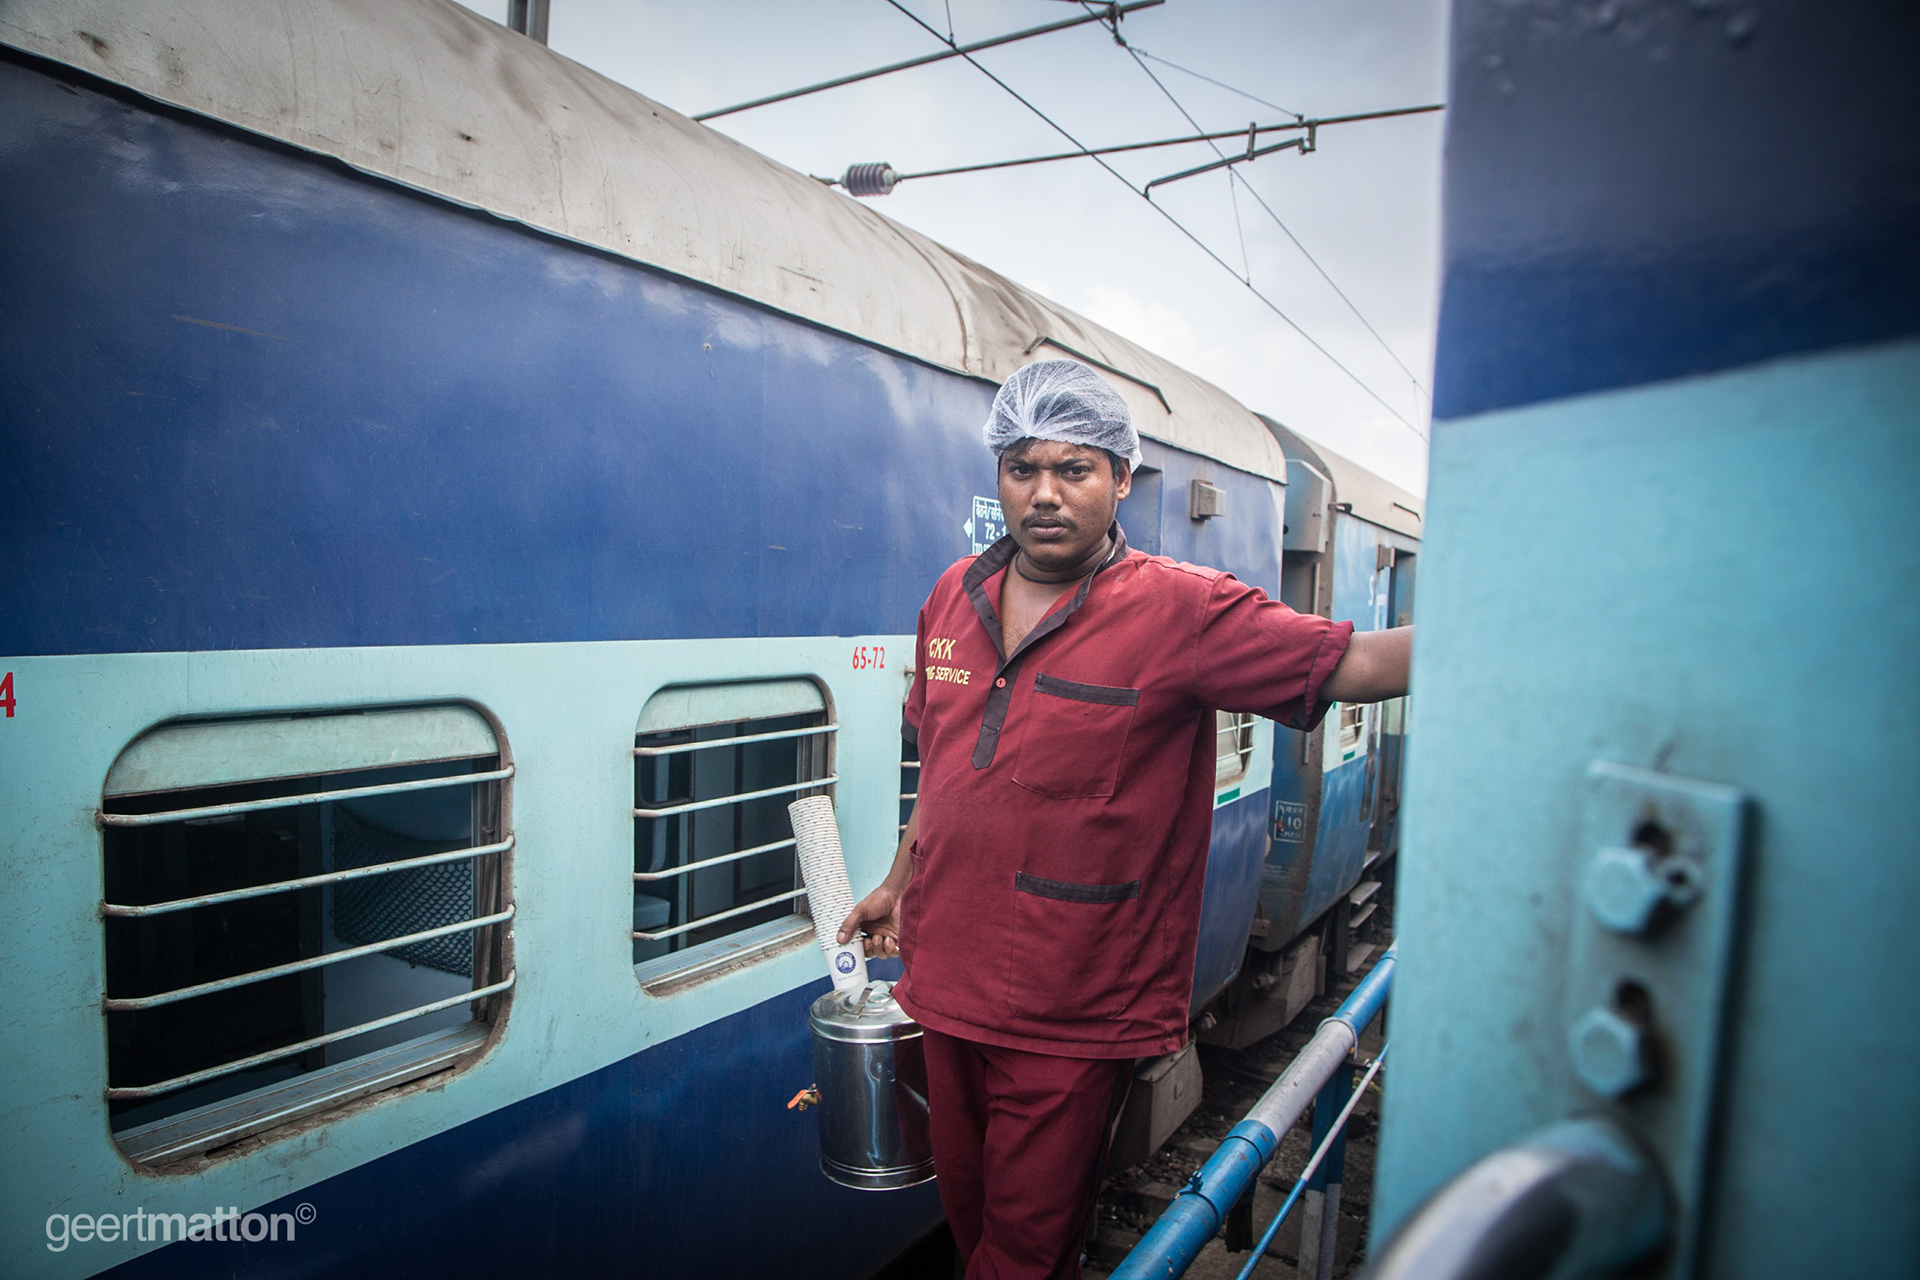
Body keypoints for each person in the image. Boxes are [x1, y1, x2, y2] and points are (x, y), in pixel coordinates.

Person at [839, 359, 1412, 1279]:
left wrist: (1517, 627)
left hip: (1073, 1002)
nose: (1045, 494)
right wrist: (899, 884)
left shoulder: (1184, 611)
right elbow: (945, 768)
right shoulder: (952, 595)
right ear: (998, 477)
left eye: (1075, 469)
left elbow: (1355, 665)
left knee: (1024, 1254)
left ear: (1122, 479)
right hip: (945, 979)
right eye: (1023, 469)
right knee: (970, 1219)